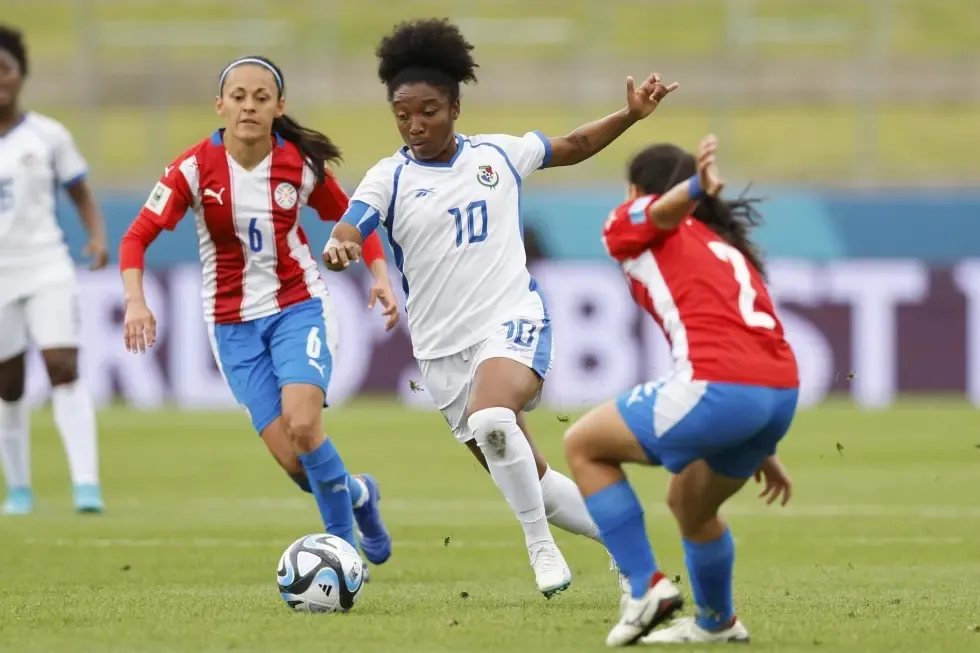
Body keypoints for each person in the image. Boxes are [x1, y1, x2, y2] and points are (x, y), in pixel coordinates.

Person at [324, 18, 677, 597]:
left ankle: (539, 549)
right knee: (528, 477)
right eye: (403, 115)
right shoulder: (388, 177)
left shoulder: (498, 156)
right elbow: (350, 224)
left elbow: (576, 144)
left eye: (429, 111)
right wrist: (340, 248)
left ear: (456, 106)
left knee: (494, 420)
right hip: (440, 353)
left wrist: (631, 116)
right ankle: (625, 545)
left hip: (512, 322)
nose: (416, 125)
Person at [118, 55, 398, 570]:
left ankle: (341, 554)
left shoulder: (300, 166)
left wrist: (379, 276)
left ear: (279, 107)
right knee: (297, 463)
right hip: (231, 328)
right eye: (239, 96)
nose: (249, 105)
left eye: (261, 97)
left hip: (298, 308)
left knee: (304, 423)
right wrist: (136, 300)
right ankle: (360, 495)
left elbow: (357, 218)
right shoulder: (193, 168)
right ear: (220, 104)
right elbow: (136, 238)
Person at [562, 135, 799, 645]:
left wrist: (692, 186)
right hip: (778, 394)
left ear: (636, 190)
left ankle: (646, 586)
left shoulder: (631, 220)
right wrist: (761, 440)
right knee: (691, 505)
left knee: (583, 445)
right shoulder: (722, 246)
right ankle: (717, 622)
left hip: (721, 388)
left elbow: (660, 212)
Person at [0, 24, 108, 516]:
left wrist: (97, 235)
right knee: (8, 384)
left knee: (63, 367)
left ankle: (86, 485)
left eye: (6, 70)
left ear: (21, 76)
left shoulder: (48, 135)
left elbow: (81, 193)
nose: (0, 80)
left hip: (46, 264)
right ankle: (19, 489)